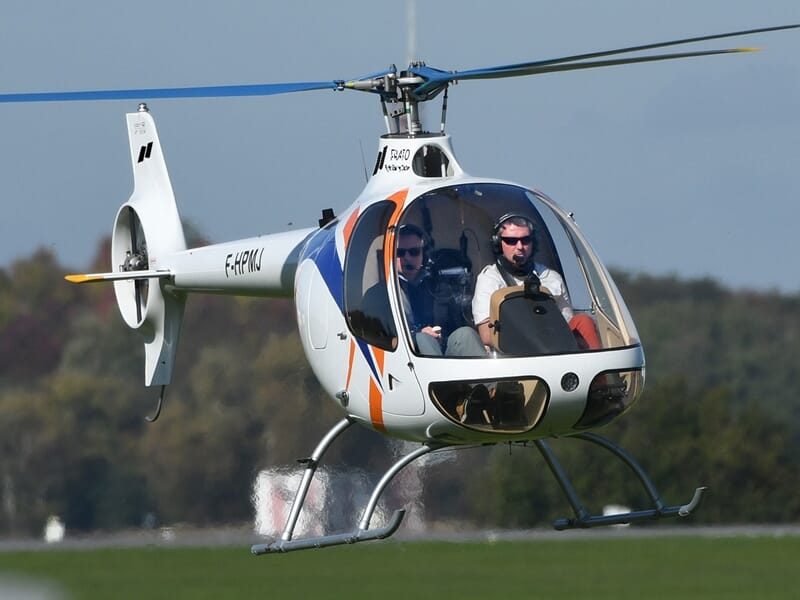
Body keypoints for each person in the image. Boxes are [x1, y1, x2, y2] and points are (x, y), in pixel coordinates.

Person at [471, 214, 602, 351]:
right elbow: (486, 334)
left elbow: (566, 323)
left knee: (583, 322)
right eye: (511, 241)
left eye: (525, 240)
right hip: (512, 352)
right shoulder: (489, 279)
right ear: (498, 243)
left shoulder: (551, 278)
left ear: (533, 242)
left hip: (553, 348)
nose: (520, 246)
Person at [395, 224, 485, 357]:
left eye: (414, 252)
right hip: (406, 357)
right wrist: (415, 335)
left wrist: (442, 336)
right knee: (423, 339)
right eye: (400, 253)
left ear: (424, 255)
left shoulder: (438, 286)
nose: (407, 258)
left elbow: (455, 325)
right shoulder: (383, 292)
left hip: (443, 350)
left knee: (466, 334)